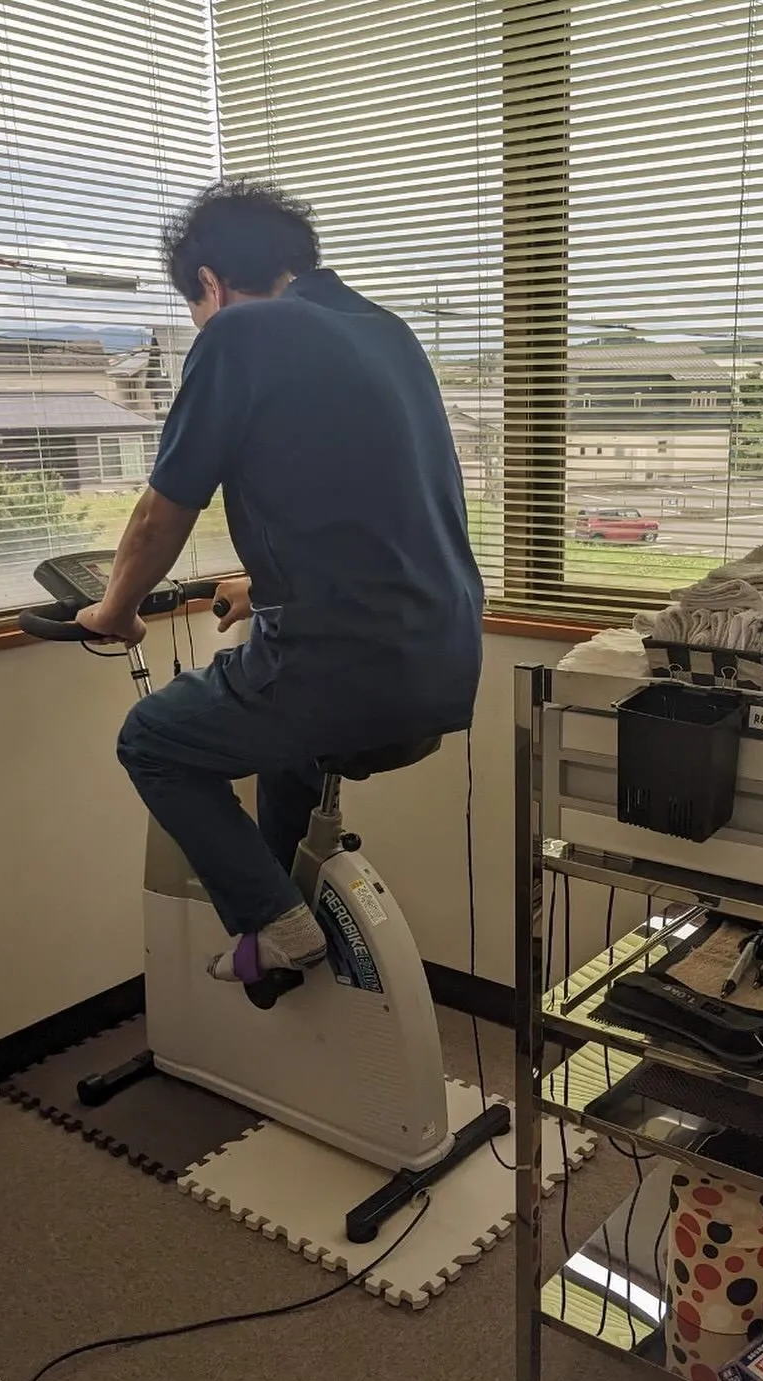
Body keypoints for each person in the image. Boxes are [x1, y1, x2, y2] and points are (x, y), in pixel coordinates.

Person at [76, 179, 483, 986]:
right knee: (285, 756)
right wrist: (260, 586)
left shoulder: (242, 331)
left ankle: (273, 924)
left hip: (339, 664)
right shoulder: (384, 332)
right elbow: (365, 508)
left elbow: (162, 513)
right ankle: (280, 920)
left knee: (151, 740)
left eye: (196, 306)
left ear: (211, 284)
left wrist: (113, 610)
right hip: (439, 658)